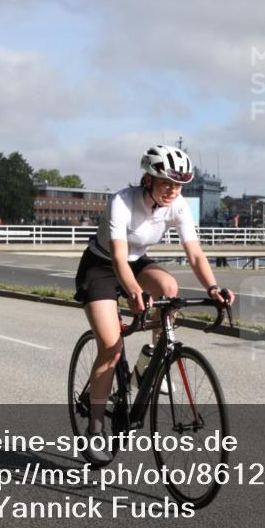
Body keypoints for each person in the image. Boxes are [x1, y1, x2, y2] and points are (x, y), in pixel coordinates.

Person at [73, 145, 232, 463]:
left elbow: (195, 254)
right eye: (166, 183)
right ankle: (94, 426)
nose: (173, 191)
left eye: (178, 185)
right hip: (101, 266)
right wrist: (133, 292)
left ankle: (156, 361)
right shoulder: (121, 201)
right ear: (148, 179)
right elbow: (117, 257)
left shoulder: (178, 206)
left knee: (169, 287)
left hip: (136, 263)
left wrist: (213, 288)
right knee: (111, 347)